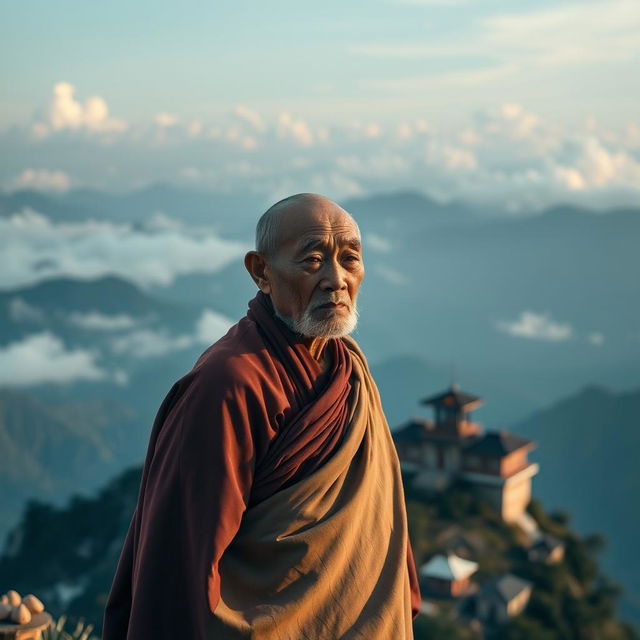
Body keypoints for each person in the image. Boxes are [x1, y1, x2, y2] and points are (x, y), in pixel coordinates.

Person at [102, 193, 421, 639]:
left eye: (350, 259)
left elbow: (381, 513)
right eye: (312, 260)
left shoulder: (350, 366)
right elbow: (178, 560)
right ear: (261, 272)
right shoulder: (228, 386)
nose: (336, 280)